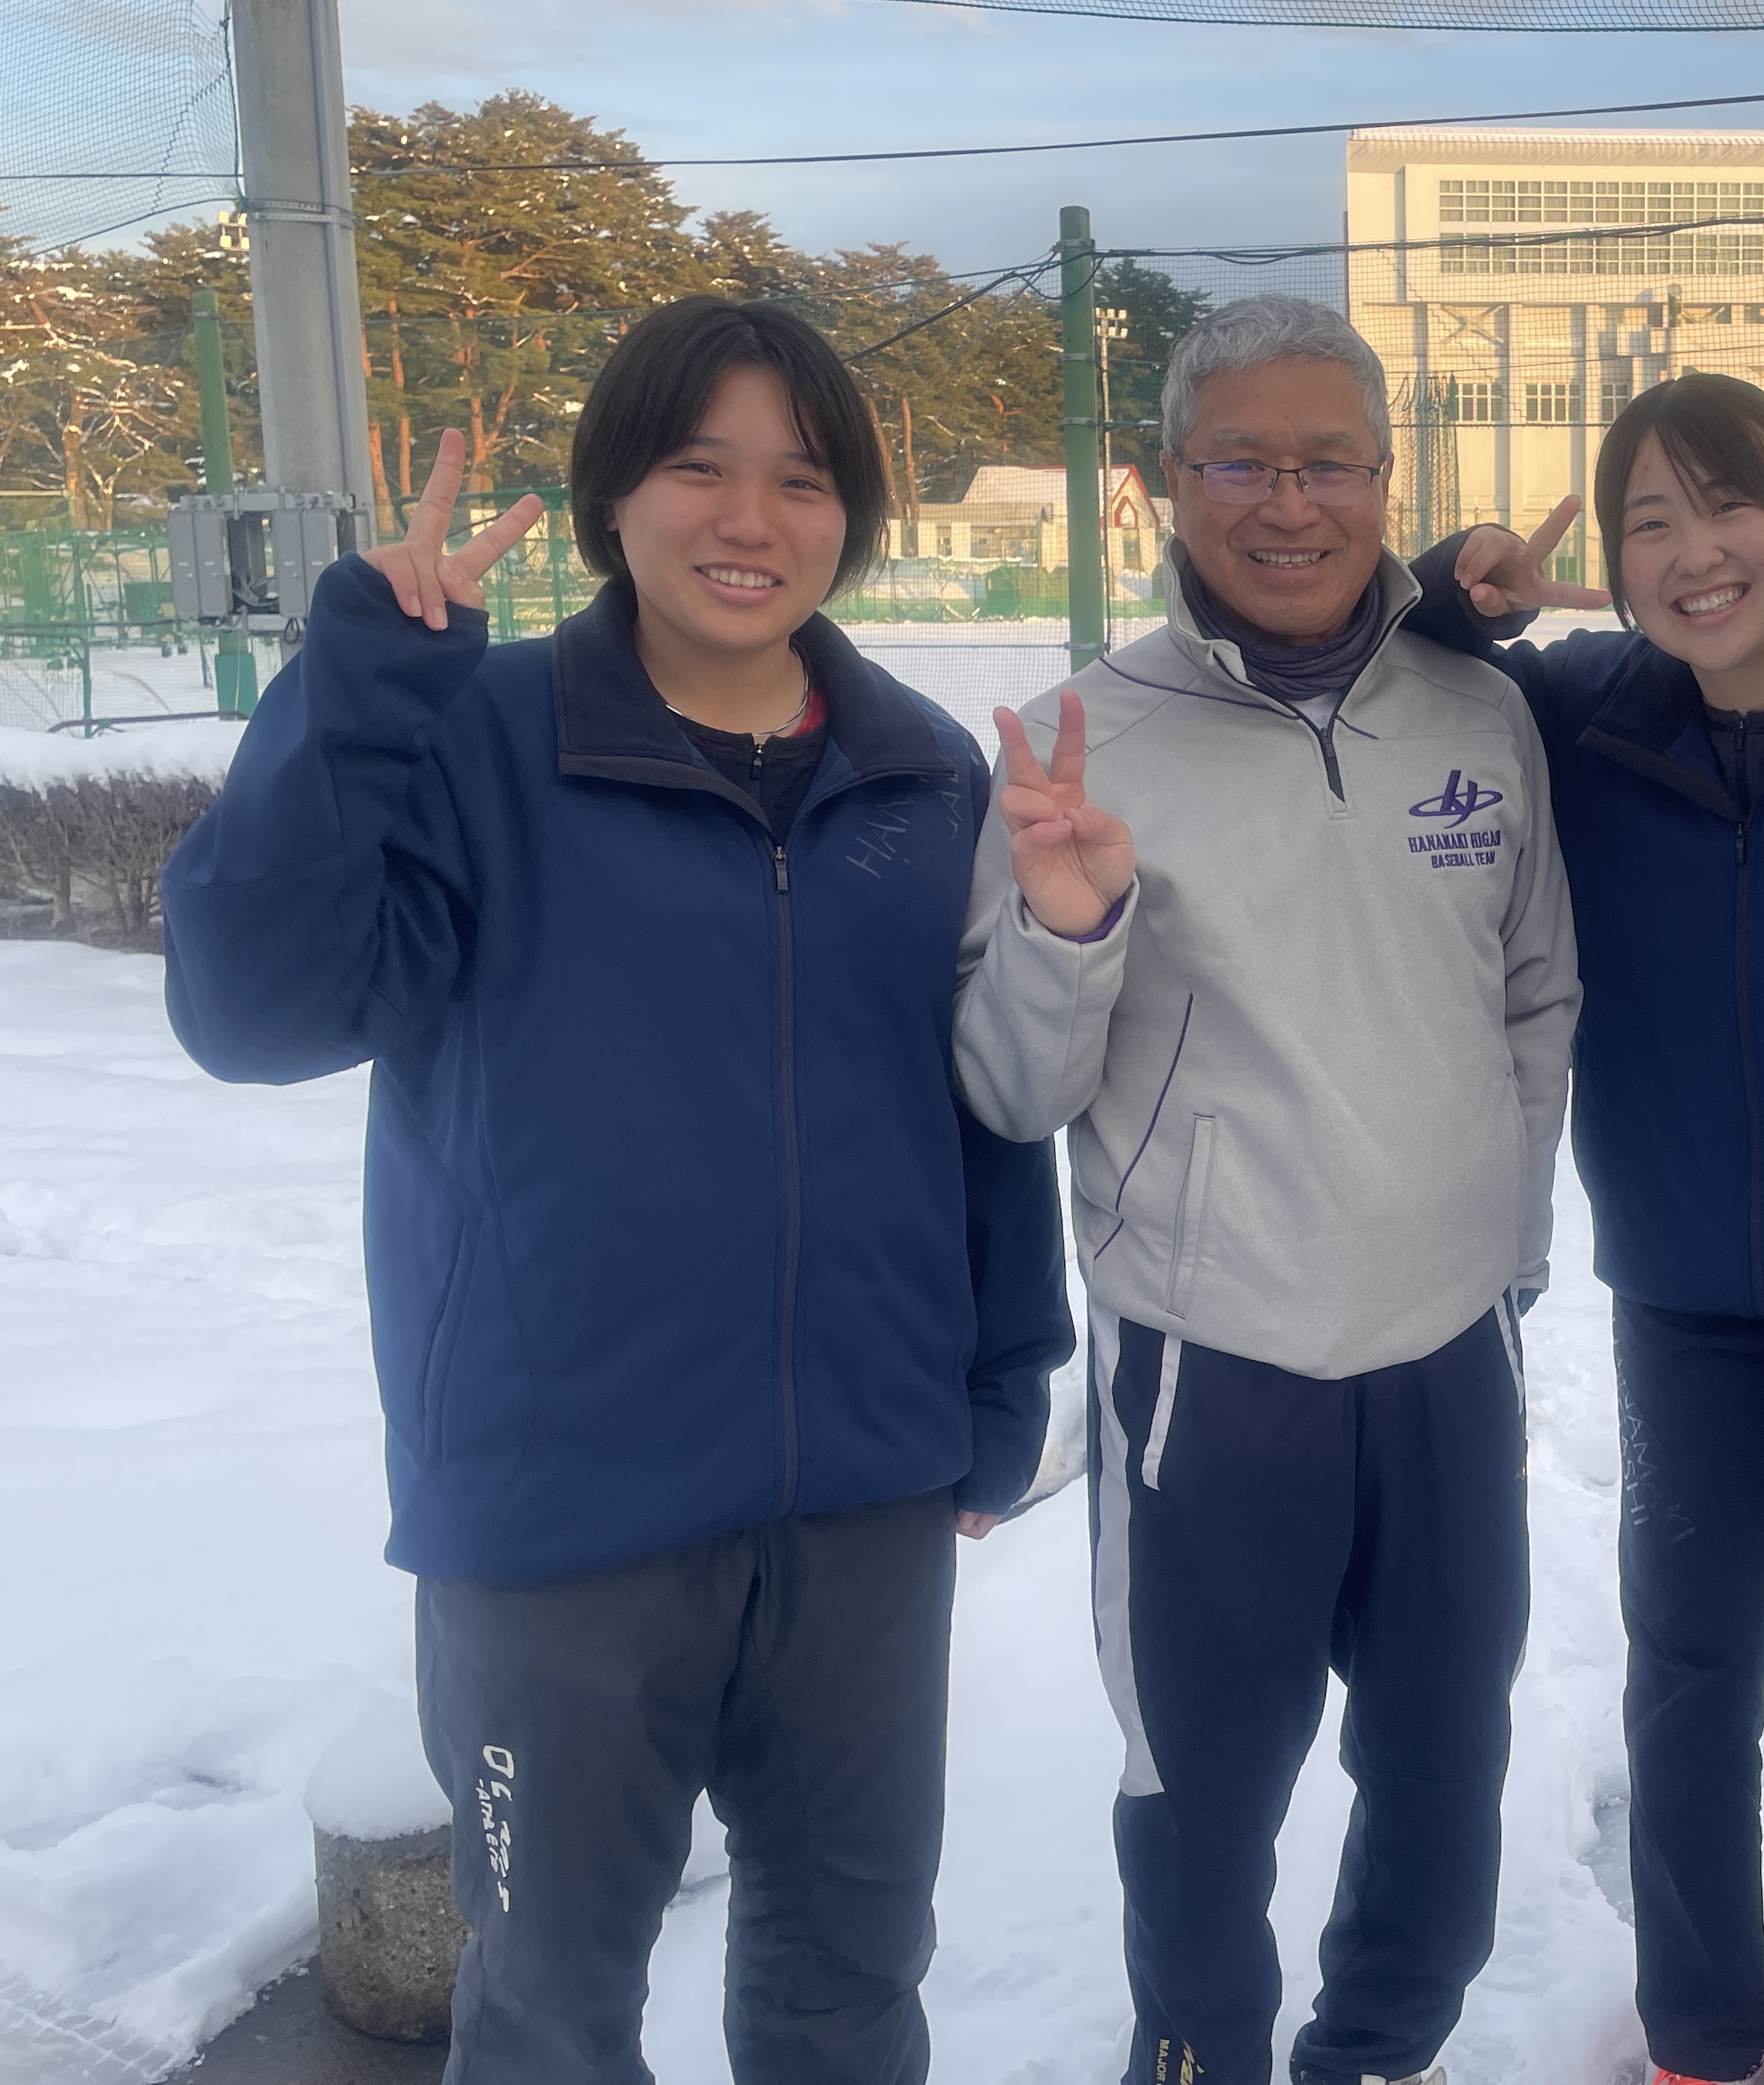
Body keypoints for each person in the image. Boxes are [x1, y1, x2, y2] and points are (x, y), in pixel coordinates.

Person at [159, 299, 1068, 2083]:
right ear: (612, 495)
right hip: (559, 1508)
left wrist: (995, 1383)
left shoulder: (921, 775)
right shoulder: (474, 741)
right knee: (555, 2008)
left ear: (853, 514)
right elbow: (252, 1012)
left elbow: (979, 1109)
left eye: (802, 479)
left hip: (864, 1500)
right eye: (698, 467)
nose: (752, 520)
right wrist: (355, 689)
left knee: (853, 1981)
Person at [950, 293, 1580, 2085]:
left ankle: (1379, 2048)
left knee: (1446, 1766)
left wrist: (1507, 1253)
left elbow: (1539, 995)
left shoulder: (1482, 713)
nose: (1288, 503)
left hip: (1452, 1347)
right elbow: (1010, 1085)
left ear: (1388, 484)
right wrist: (1073, 923)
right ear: (1167, 483)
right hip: (1206, 1369)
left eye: (1331, 463)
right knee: (1205, 1790)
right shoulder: (1079, 740)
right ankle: (1201, 2055)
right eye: (1242, 460)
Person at [1406, 371, 1764, 2085]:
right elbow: (1411, 662)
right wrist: (1455, 580)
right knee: (1688, 1675)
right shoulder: (1594, 716)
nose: (1689, 552)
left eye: (1722, 505)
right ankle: (1697, 2037)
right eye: (1644, 520)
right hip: (1688, 1307)